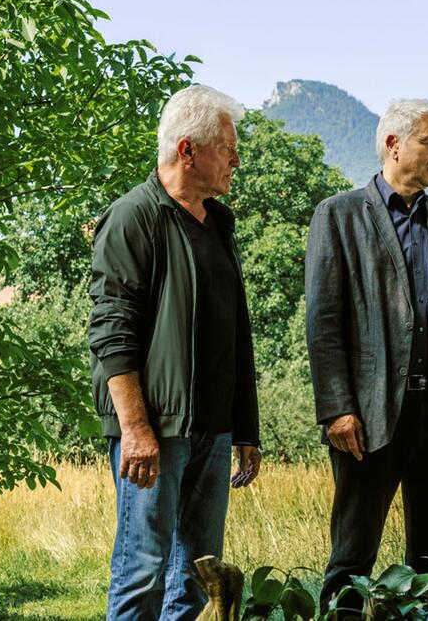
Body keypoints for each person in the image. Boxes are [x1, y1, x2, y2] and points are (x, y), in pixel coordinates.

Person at [304, 98, 428, 614]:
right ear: (394, 144)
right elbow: (323, 325)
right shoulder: (338, 216)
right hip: (367, 419)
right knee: (351, 556)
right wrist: (337, 408)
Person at [87, 84, 263, 620]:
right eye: (226, 148)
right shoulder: (133, 217)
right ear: (188, 151)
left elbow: (237, 335)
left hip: (213, 432)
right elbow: (111, 333)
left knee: (195, 574)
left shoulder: (221, 224)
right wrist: (136, 430)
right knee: (142, 568)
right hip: (157, 431)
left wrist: (246, 428)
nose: (236, 159)